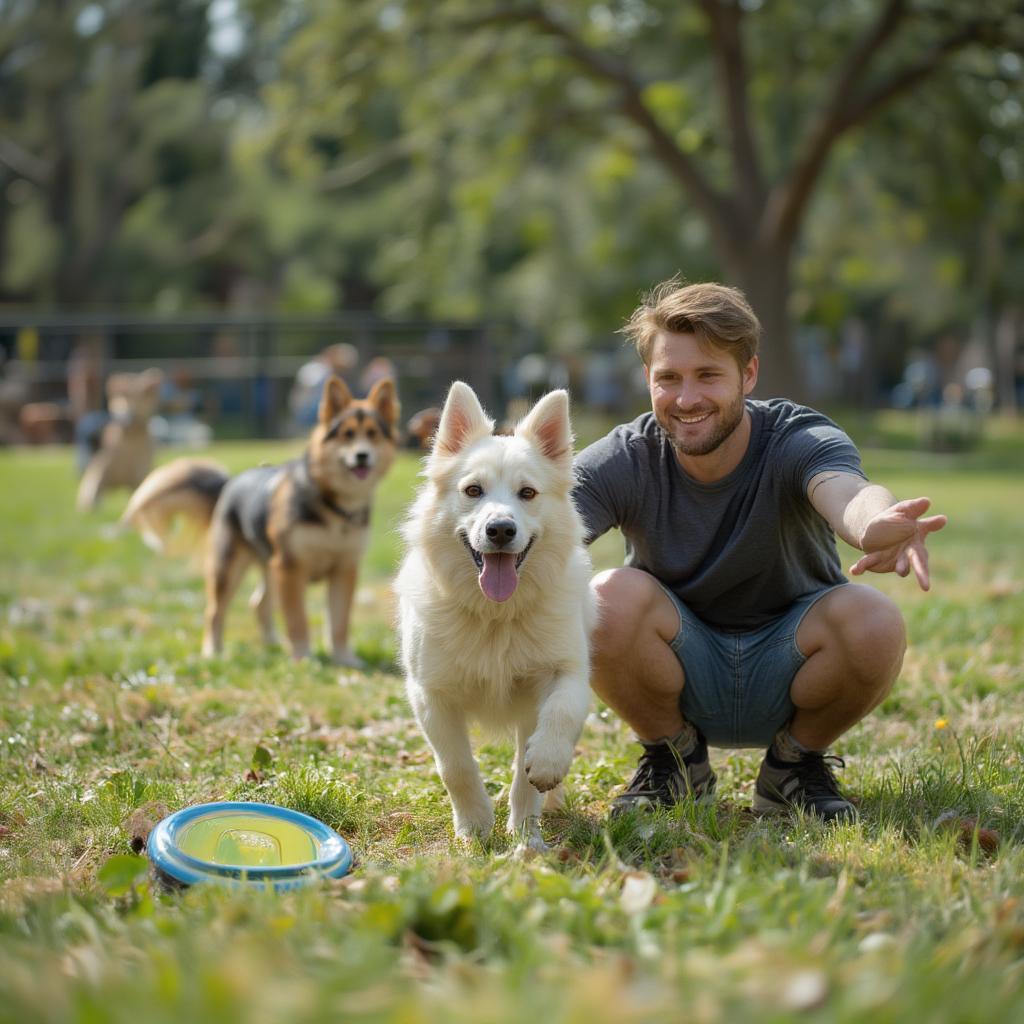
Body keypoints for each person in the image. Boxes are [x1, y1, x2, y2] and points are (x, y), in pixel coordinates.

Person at [573, 279, 947, 822]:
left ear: (748, 374)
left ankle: (793, 768)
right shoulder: (628, 455)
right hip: (674, 668)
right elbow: (546, 522)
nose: (686, 398)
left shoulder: (797, 435)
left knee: (875, 619)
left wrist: (873, 523)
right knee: (605, 597)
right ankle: (675, 763)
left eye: (708, 375)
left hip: (794, 665)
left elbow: (846, 491)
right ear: (648, 380)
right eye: (668, 378)